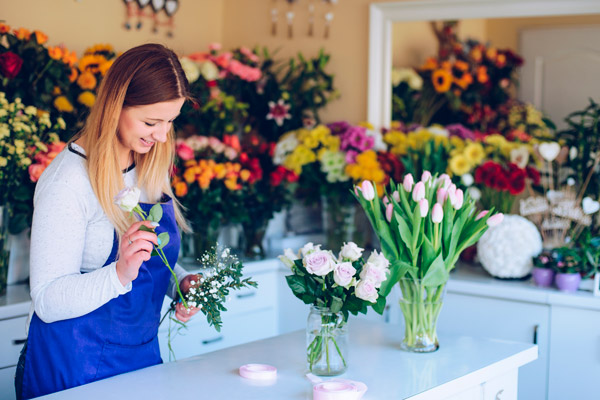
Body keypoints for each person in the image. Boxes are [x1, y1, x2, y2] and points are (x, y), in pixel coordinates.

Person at [15, 43, 201, 399]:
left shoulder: (150, 161)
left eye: (170, 121)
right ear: (116, 105)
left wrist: (179, 284)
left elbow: (147, 261)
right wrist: (118, 274)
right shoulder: (68, 181)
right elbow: (48, 299)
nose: (162, 135)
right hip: (71, 370)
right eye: (151, 122)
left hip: (139, 362)